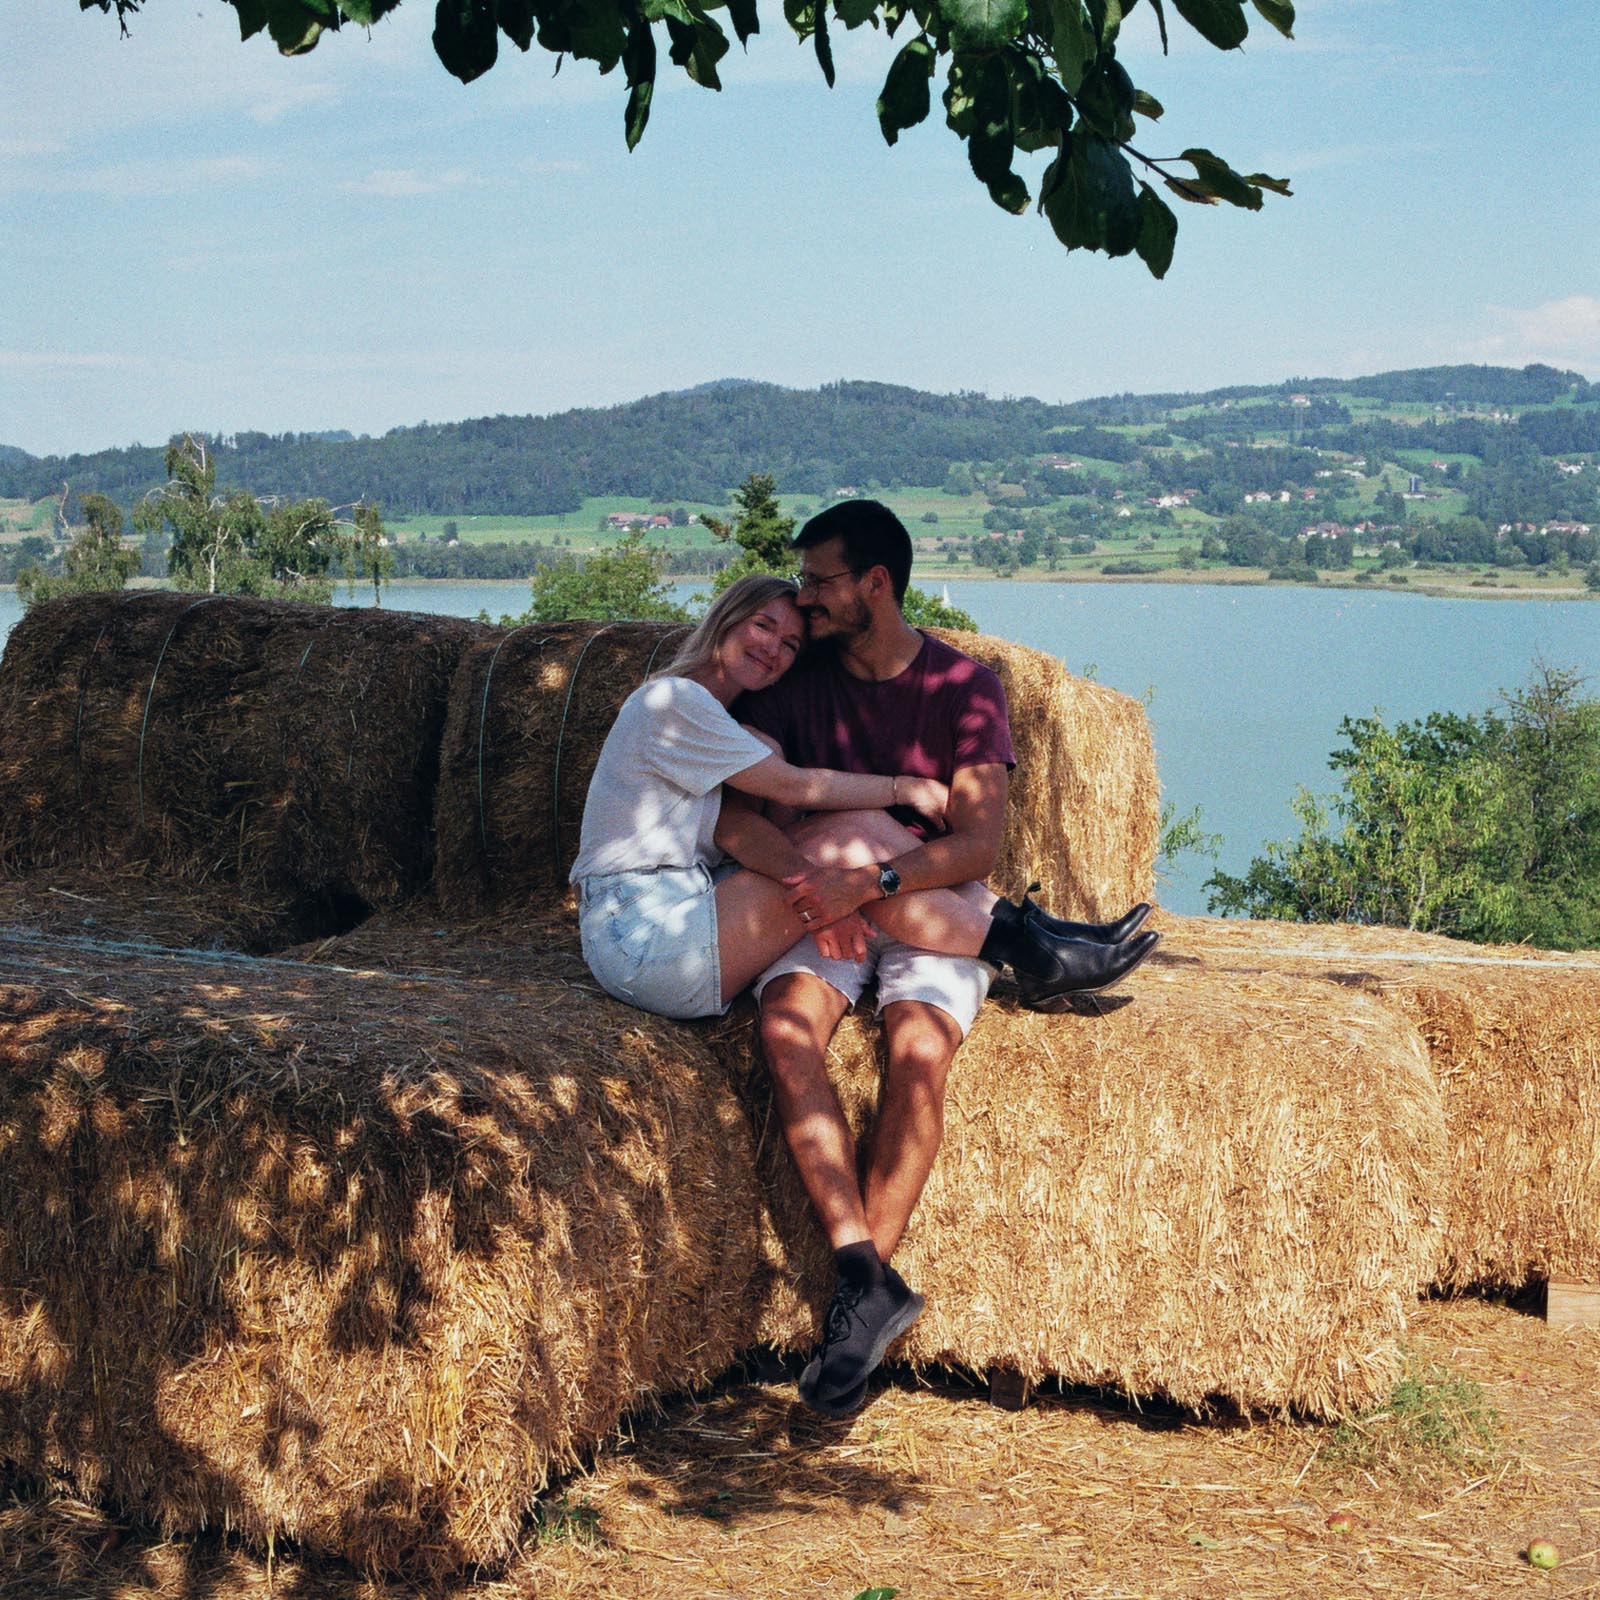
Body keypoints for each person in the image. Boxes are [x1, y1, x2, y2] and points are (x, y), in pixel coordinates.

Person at [732, 502, 1157, 1417]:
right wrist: (818, 883)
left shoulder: (966, 688)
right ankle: (864, 1273)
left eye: (819, 581)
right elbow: (737, 807)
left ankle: (854, 1312)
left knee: (918, 1053)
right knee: (785, 1028)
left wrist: (873, 880)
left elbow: (976, 847)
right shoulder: (791, 677)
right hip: (823, 904)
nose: (803, 598)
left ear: (874, 586)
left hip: (931, 907)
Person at [569, 574, 1156, 1028]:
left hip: (683, 913)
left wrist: (836, 891)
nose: (774, 649)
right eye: (763, 626)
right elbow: (795, 786)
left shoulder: (716, 721)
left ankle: (1044, 940)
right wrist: (902, 790)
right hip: (645, 935)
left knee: (855, 834)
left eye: (792, 643)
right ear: (726, 618)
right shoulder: (674, 703)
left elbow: (736, 833)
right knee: (848, 838)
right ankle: (1037, 951)